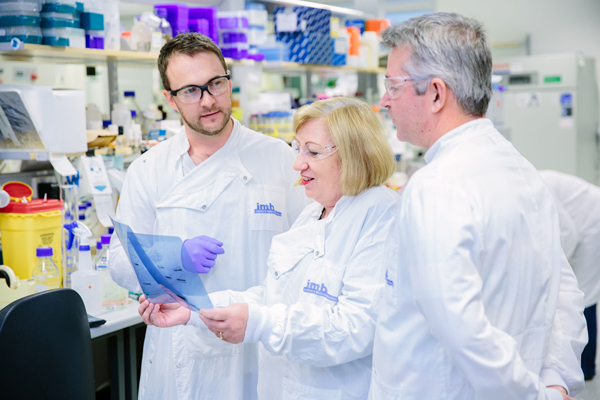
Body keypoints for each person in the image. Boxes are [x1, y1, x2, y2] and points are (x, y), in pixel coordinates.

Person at [370, 13, 588, 400]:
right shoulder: (519, 167)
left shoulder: (437, 186)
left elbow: (462, 328)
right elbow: (564, 290)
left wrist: (533, 395)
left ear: (436, 93)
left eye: (393, 85)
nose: (385, 100)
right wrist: (554, 379)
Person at [138, 97, 400, 399]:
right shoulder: (314, 213)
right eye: (297, 148)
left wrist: (259, 324)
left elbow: (356, 328)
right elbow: (273, 296)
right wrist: (192, 306)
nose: (297, 164)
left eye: (312, 152)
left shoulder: (381, 213)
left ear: (354, 154)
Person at [109, 32, 308, 400]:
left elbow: (309, 250)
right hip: (181, 349)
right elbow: (119, 262)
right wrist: (173, 258)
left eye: (217, 83)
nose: (209, 100)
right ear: (169, 99)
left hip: (257, 343)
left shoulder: (279, 159)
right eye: (190, 91)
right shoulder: (149, 169)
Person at [540, 169, 600, 381]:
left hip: (592, 228)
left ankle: (585, 367)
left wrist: (555, 270)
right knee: (579, 295)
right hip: (587, 226)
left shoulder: (538, 187)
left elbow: (568, 234)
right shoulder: (533, 182)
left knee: (584, 297)